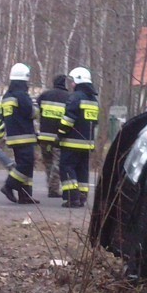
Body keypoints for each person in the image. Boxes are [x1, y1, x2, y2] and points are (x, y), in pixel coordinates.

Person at [58, 67, 99, 208]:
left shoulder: (75, 97)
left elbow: (68, 119)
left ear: (78, 81)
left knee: (66, 166)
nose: (71, 84)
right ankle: (82, 196)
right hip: (87, 143)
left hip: (71, 142)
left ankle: (72, 197)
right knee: (82, 169)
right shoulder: (93, 100)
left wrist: (60, 134)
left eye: (73, 81)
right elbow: (95, 122)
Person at [0, 63, 39, 205]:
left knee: (25, 165)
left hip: (12, 136)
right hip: (24, 135)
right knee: (26, 164)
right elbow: (31, 112)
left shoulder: (7, 96)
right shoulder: (21, 95)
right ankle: (8, 185)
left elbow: (3, 116)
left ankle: (25, 195)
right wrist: (36, 108)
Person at [36, 74, 70, 198]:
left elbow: (36, 111)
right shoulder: (68, 98)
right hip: (58, 137)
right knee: (57, 163)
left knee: (48, 162)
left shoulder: (44, 95)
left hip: (44, 136)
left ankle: (51, 186)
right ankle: (53, 188)